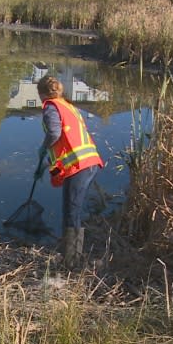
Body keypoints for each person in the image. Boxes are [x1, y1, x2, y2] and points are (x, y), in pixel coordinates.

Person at [34, 75, 104, 270]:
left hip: (80, 167)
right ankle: (70, 254)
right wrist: (46, 166)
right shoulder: (67, 105)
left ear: (41, 94)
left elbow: (55, 134)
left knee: (71, 211)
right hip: (88, 162)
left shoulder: (50, 107)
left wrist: (42, 146)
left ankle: (72, 261)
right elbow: (65, 147)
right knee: (73, 209)